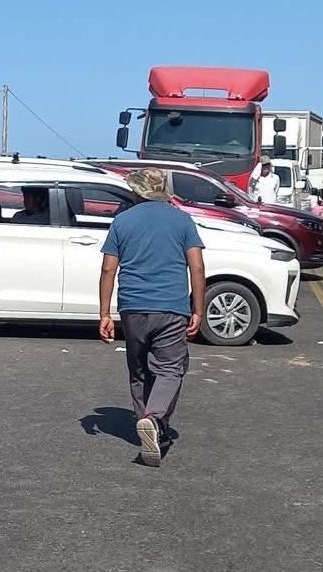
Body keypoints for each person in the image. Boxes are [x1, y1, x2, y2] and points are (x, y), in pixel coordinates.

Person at [98, 168, 206, 467]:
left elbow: (109, 269)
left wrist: (104, 312)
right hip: (171, 307)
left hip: (133, 306)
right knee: (170, 369)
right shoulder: (182, 220)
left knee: (139, 368)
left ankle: (148, 424)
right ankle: (155, 419)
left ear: (136, 191)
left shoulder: (123, 221)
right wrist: (198, 308)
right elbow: (196, 267)